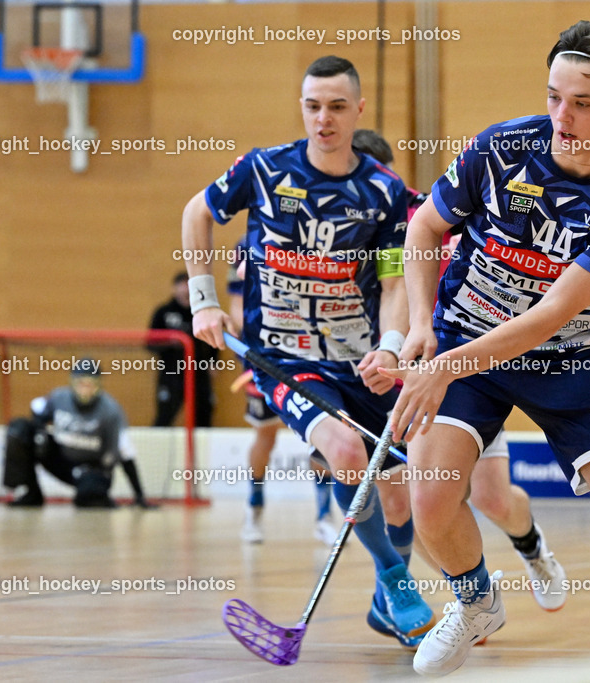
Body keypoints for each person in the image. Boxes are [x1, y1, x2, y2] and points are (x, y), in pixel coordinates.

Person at [380, 17, 590, 675]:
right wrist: (421, 326)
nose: (561, 117)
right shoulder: (498, 149)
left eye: (582, 103)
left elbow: (551, 315)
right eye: (553, 96)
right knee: (431, 498)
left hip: (567, 359)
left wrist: (442, 366)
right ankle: (477, 603)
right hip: (466, 337)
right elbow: (424, 229)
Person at [181, 56, 435, 650]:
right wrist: (203, 301)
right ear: (302, 107)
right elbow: (197, 212)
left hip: (361, 361)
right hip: (284, 360)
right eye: (313, 106)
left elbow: (394, 283)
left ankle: (385, 606)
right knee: (345, 451)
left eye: (337, 107)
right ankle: (396, 580)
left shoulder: (383, 192)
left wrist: (391, 349)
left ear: (358, 110)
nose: (324, 119)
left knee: (398, 495)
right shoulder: (265, 169)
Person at [351, 128, 568, 612]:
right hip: (404, 377)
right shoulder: (354, 232)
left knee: (492, 498)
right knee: (419, 503)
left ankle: (533, 548)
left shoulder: (433, 210)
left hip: (468, 368)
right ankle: (472, 599)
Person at [227, 245, 337, 545]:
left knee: (322, 435)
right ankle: (254, 508)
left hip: (312, 356)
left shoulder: (317, 238)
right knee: (265, 435)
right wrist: (256, 349)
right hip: (265, 358)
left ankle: (324, 517)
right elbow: (236, 306)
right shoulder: (245, 246)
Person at [3, 359, 155, 509]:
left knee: (87, 498)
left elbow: (126, 452)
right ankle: (31, 494)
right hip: (61, 460)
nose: (85, 390)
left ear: (99, 385)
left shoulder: (111, 411)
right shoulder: (59, 397)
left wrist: (139, 496)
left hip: (92, 468)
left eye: (90, 384)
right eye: (81, 384)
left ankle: (100, 497)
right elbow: (37, 410)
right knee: (19, 429)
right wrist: (39, 431)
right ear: (72, 383)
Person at [149, 271, 219, 427]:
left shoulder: (202, 314)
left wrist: (213, 362)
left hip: (198, 371)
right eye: (181, 288)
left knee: (204, 415)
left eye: (188, 290)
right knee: (165, 415)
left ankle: (199, 444)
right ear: (175, 289)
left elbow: (213, 340)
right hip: (171, 372)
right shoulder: (163, 312)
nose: (185, 293)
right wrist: (169, 342)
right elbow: (150, 343)